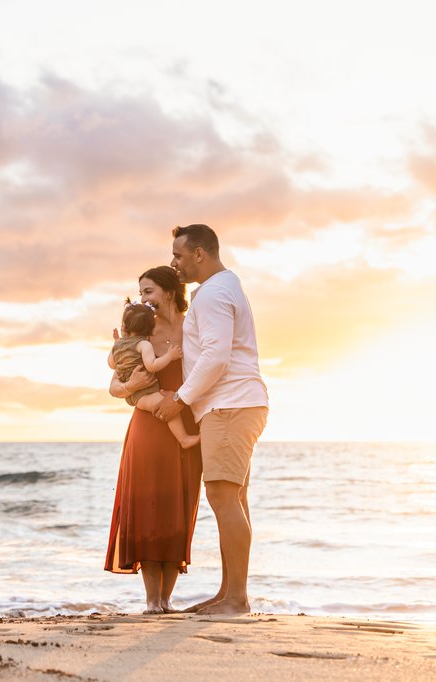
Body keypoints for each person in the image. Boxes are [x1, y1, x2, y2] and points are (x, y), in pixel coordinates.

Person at [153, 224, 269, 615]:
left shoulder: (214, 293)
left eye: (179, 255)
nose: (175, 263)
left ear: (199, 253)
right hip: (235, 403)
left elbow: (216, 357)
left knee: (222, 495)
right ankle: (228, 593)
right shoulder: (222, 288)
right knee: (231, 496)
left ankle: (236, 599)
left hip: (230, 405)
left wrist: (180, 400)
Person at [105, 265, 203, 614]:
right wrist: (130, 386)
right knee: (149, 510)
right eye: (141, 293)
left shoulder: (195, 327)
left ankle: (167, 600)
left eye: (148, 291)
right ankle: (152, 601)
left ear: (169, 292)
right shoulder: (141, 334)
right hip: (147, 426)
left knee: (178, 510)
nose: (144, 299)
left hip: (184, 423)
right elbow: (115, 386)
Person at [110, 300, 200, 450]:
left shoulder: (118, 345)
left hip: (135, 397)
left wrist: (117, 345)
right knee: (166, 404)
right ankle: (184, 439)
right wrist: (170, 356)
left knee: (164, 404)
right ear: (149, 328)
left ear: (124, 326)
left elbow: (112, 364)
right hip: (144, 393)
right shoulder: (144, 344)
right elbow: (152, 366)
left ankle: (184, 439)